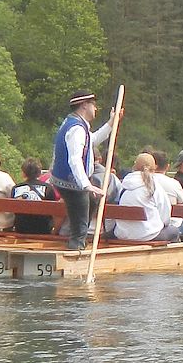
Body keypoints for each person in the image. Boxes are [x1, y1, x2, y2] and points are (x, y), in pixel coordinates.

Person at [50, 90, 119, 251]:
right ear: (84, 106)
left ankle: (78, 241)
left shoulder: (76, 124)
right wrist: (86, 185)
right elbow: (74, 159)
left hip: (69, 180)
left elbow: (92, 140)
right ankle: (76, 249)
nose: (96, 108)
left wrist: (111, 123)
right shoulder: (76, 129)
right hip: (70, 182)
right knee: (80, 226)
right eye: (93, 105)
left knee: (92, 200)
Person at [113, 152, 183, 242]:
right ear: (153, 168)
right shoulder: (154, 186)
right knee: (174, 231)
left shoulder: (123, 185)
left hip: (123, 234)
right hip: (148, 235)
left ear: (134, 166)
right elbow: (165, 216)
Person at [11, 159, 58, 236]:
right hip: (43, 229)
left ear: (23, 173)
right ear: (39, 173)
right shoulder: (48, 188)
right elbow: (53, 211)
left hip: (21, 228)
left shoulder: (16, 188)